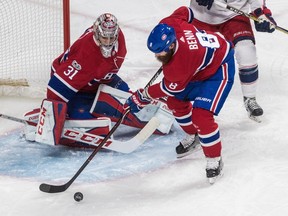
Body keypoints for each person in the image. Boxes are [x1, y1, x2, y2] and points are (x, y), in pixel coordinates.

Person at [23, 13, 175, 147]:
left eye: (111, 37)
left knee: (129, 102)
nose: (108, 41)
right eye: (104, 37)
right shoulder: (85, 56)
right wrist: (52, 120)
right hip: (76, 88)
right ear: (96, 34)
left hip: (99, 79)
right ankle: (40, 122)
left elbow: (105, 66)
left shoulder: (119, 39)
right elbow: (56, 90)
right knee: (98, 131)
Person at [124, 6, 235, 183]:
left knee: (202, 116)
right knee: (175, 103)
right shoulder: (169, 24)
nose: (157, 55)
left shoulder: (180, 65)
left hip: (219, 69)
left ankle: (214, 160)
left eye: (161, 52)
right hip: (198, 68)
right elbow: (186, 11)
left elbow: (166, 89)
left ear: (172, 44)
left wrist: (142, 96)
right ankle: (194, 136)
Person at [189, 0, 277, 122]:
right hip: (201, 16)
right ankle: (174, 97)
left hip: (234, 16)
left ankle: (249, 98)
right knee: (190, 56)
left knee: (247, 52)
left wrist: (262, 15)